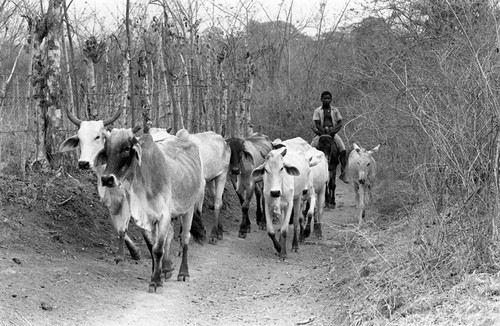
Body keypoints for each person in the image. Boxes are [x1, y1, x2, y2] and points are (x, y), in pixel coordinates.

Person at [311, 91, 349, 184]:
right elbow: (316, 123)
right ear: (321, 99)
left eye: (328, 98)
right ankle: (310, 173)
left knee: (343, 149)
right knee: (310, 148)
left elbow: (340, 123)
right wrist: (322, 131)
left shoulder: (335, 110)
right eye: (325, 98)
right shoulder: (317, 111)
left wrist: (333, 131)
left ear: (331, 99)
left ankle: (343, 173)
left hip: (333, 133)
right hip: (320, 133)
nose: (327, 100)